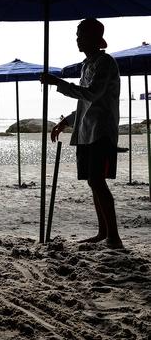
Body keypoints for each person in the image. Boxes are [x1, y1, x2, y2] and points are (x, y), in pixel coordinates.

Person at [40, 18, 122, 249]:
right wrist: (65, 122)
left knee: (98, 180)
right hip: (86, 132)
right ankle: (103, 231)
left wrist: (58, 82)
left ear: (95, 39)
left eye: (81, 35)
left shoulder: (106, 63)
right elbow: (85, 103)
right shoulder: (87, 65)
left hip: (102, 131)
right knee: (93, 182)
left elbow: (92, 94)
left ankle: (114, 236)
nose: (78, 39)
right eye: (77, 35)